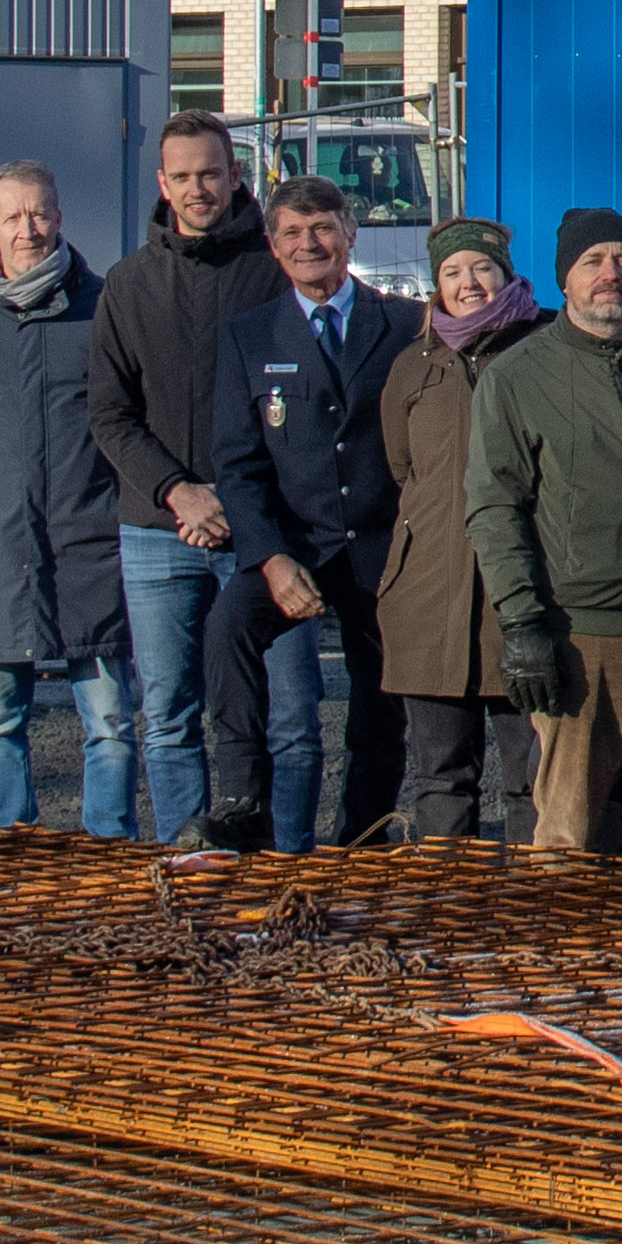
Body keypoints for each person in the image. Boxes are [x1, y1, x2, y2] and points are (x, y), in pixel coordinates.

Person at [472, 206, 622, 864]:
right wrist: (522, 621)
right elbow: (495, 506)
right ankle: (567, 956)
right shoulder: (517, 378)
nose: (612, 274)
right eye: (593, 262)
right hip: (579, 631)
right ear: (564, 280)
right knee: (572, 818)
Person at [0, 161, 135, 833]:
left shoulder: (101, 306)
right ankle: (12, 844)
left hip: (89, 544)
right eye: (12, 216)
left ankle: (110, 846)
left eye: (39, 213)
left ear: (60, 217)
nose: (27, 229)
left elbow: (129, 417)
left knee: (109, 720)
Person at [213, 172, 413, 851]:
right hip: (298, 546)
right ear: (273, 246)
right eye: (293, 233)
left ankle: (362, 836)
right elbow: (237, 467)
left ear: (350, 235)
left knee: (381, 699)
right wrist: (269, 558)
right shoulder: (248, 336)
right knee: (230, 624)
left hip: (383, 549)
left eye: (323, 227)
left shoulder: (406, 326)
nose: (310, 243)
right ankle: (244, 801)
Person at [89, 114, 272, 843]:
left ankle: (275, 851)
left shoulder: (273, 269)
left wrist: (234, 494)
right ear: (162, 184)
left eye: (211, 172)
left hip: (256, 523)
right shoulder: (129, 283)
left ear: (235, 175)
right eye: (183, 176)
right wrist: (177, 491)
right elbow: (107, 412)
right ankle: (183, 855)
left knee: (274, 710)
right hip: (156, 527)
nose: (199, 188)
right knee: (167, 712)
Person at [374, 220, 547, 839]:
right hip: (428, 597)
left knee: (533, 777)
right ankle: (446, 913)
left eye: (482, 269)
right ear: (436, 284)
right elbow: (403, 467)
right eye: (453, 272)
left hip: (525, 595)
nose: (469, 283)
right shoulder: (413, 366)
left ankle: (531, 914)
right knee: (441, 778)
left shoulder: (545, 347)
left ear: (506, 273)